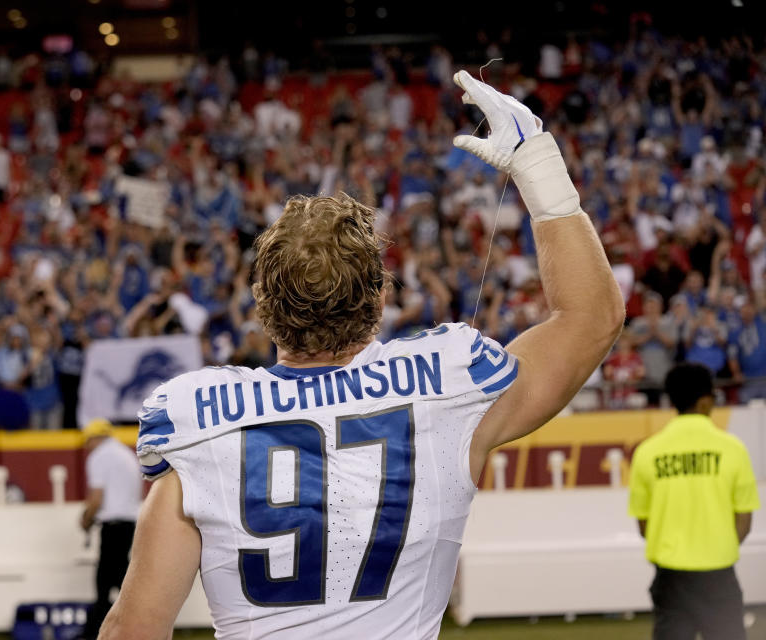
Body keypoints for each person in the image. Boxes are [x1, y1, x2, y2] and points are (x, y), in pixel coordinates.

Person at [98, 73, 625, 638]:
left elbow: (134, 629)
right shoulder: (446, 389)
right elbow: (591, 318)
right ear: (379, 295)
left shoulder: (198, 422)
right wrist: (537, 164)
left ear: (263, 302)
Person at [629, 363, 760, 639]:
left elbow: (644, 526)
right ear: (704, 401)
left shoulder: (648, 451)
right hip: (718, 575)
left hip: (670, 575)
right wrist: (716, 547)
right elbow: (744, 523)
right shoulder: (733, 449)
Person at [80, 418, 143, 640]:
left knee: (106, 581)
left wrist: (85, 519)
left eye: (87, 441)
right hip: (129, 523)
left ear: (95, 438)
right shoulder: (127, 454)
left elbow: (96, 498)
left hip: (112, 526)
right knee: (118, 578)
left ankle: (97, 631)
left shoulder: (99, 457)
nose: (86, 447)